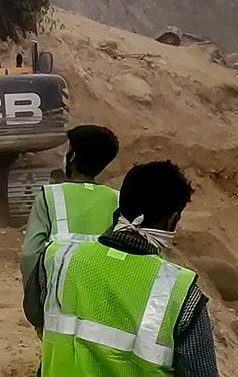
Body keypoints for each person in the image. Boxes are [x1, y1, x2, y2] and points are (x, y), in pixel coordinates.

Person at [24, 160, 219, 376]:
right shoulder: (181, 293)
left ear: (121, 207)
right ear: (172, 220)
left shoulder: (58, 258)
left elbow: (35, 313)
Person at [20, 125, 121, 288]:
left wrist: (35, 299)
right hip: (104, 296)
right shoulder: (119, 200)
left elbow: (29, 254)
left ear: (72, 156)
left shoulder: (50, 197)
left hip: (59, 298)